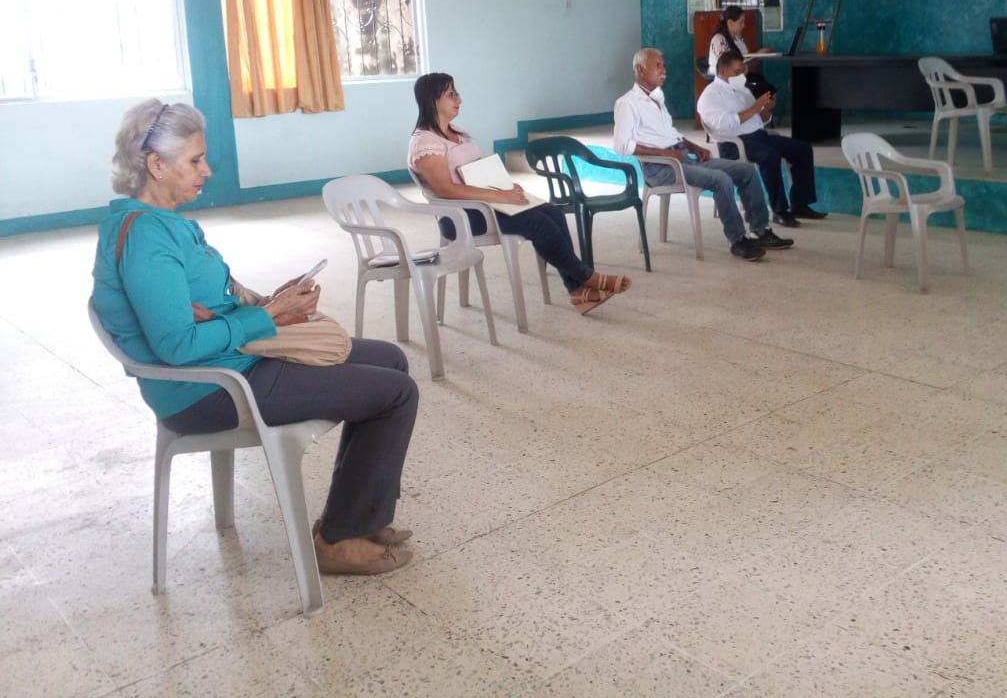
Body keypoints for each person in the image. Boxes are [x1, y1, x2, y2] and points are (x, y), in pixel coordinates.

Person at [91, 100, 418, 576]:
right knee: (396, 393)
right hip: (208, 389)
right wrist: (269, 316)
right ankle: (339, 540)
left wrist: (272, 304)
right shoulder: (147, 238)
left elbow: (205, 305)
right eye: (195, 160)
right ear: (156, 165)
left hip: (230, 361)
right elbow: (177, 347)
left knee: (390, 360)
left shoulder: (161, 223)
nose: (207, 170)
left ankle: (359, 515)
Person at [408, 73, 630, 314]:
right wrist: (500, 197)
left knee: (553, 213)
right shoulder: (425, 142)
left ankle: (576, 290)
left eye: (457, 93)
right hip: (460, 217)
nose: (459, 99)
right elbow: (445, 189)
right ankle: (587, 277)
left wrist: (505, 186)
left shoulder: (457, 132)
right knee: (537, 223)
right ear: (433, 100)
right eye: (451, 94)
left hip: (486, 204)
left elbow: (477, 172)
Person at [613, 47, 793, 261]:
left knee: (746, 171)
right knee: (721, 179)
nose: (664, 70)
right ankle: (738, 240)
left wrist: (693, 147)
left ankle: (760, 231)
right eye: (658, 66)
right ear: (640, 69)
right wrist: (665, 153)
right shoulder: (627, 103)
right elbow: (622, 146)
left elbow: (671, 133)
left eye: (664, 65)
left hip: (683, 158)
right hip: (661, 168)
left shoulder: (657, 97)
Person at [697, 51, 827, 227]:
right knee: (770, 155)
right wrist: (754, 108)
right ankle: (779, 210)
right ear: (723, 71)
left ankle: (800, 204)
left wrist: (766, 109)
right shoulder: (710, 95)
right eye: (737, 72)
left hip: (758, 136)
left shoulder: (743, 90)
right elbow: (724, 124)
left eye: (742, 71)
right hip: (734, 143)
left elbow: (761, 119)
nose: (741, 75)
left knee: (802, 149)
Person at [706, 5, 775, 99]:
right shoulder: (719, 39)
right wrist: (755, 55)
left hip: (740, 78)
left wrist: (759, 55)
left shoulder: (738, 39)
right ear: (730, 23)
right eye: (741, 22)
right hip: (728, 81)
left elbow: (745, 60)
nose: (743, 25)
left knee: (766, 88)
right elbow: (728, 64)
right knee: (763, 92)